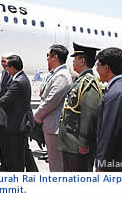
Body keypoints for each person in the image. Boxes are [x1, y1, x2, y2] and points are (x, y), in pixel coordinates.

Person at [57, 42, 103, 172]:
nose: (72, 62)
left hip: (77, 145)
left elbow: (89, 115)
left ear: (82, 61)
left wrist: (83, 142)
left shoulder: (89, 83)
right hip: (69, 143)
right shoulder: (79, 80)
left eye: (75, 59)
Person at [0, 55, 35, 172]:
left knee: (18, 155)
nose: (6, 68)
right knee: (21, 151)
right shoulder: (21, 78)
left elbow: (5, 100)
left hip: (19, 122)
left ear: (13, 67)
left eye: (7, 66)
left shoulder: (18, 82)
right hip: (20, 121)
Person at [34, 44, 72, 172]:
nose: (47, 59)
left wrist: (37, 116)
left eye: (48, 56)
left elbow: (51, 101)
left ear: (55, 57)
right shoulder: (56, 74)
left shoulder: (61, 75)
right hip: (51, 125)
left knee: (56, 165)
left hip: (54, 126)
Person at [0, 54, 12, 171]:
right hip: (0, 113)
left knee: (9, 142)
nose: (3, 63)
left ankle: (9, 165)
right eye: (2, 61)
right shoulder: (3, 73)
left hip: (9, 115)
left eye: (5, 61)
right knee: (2, 141)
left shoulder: (13, 75)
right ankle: (4, 163)